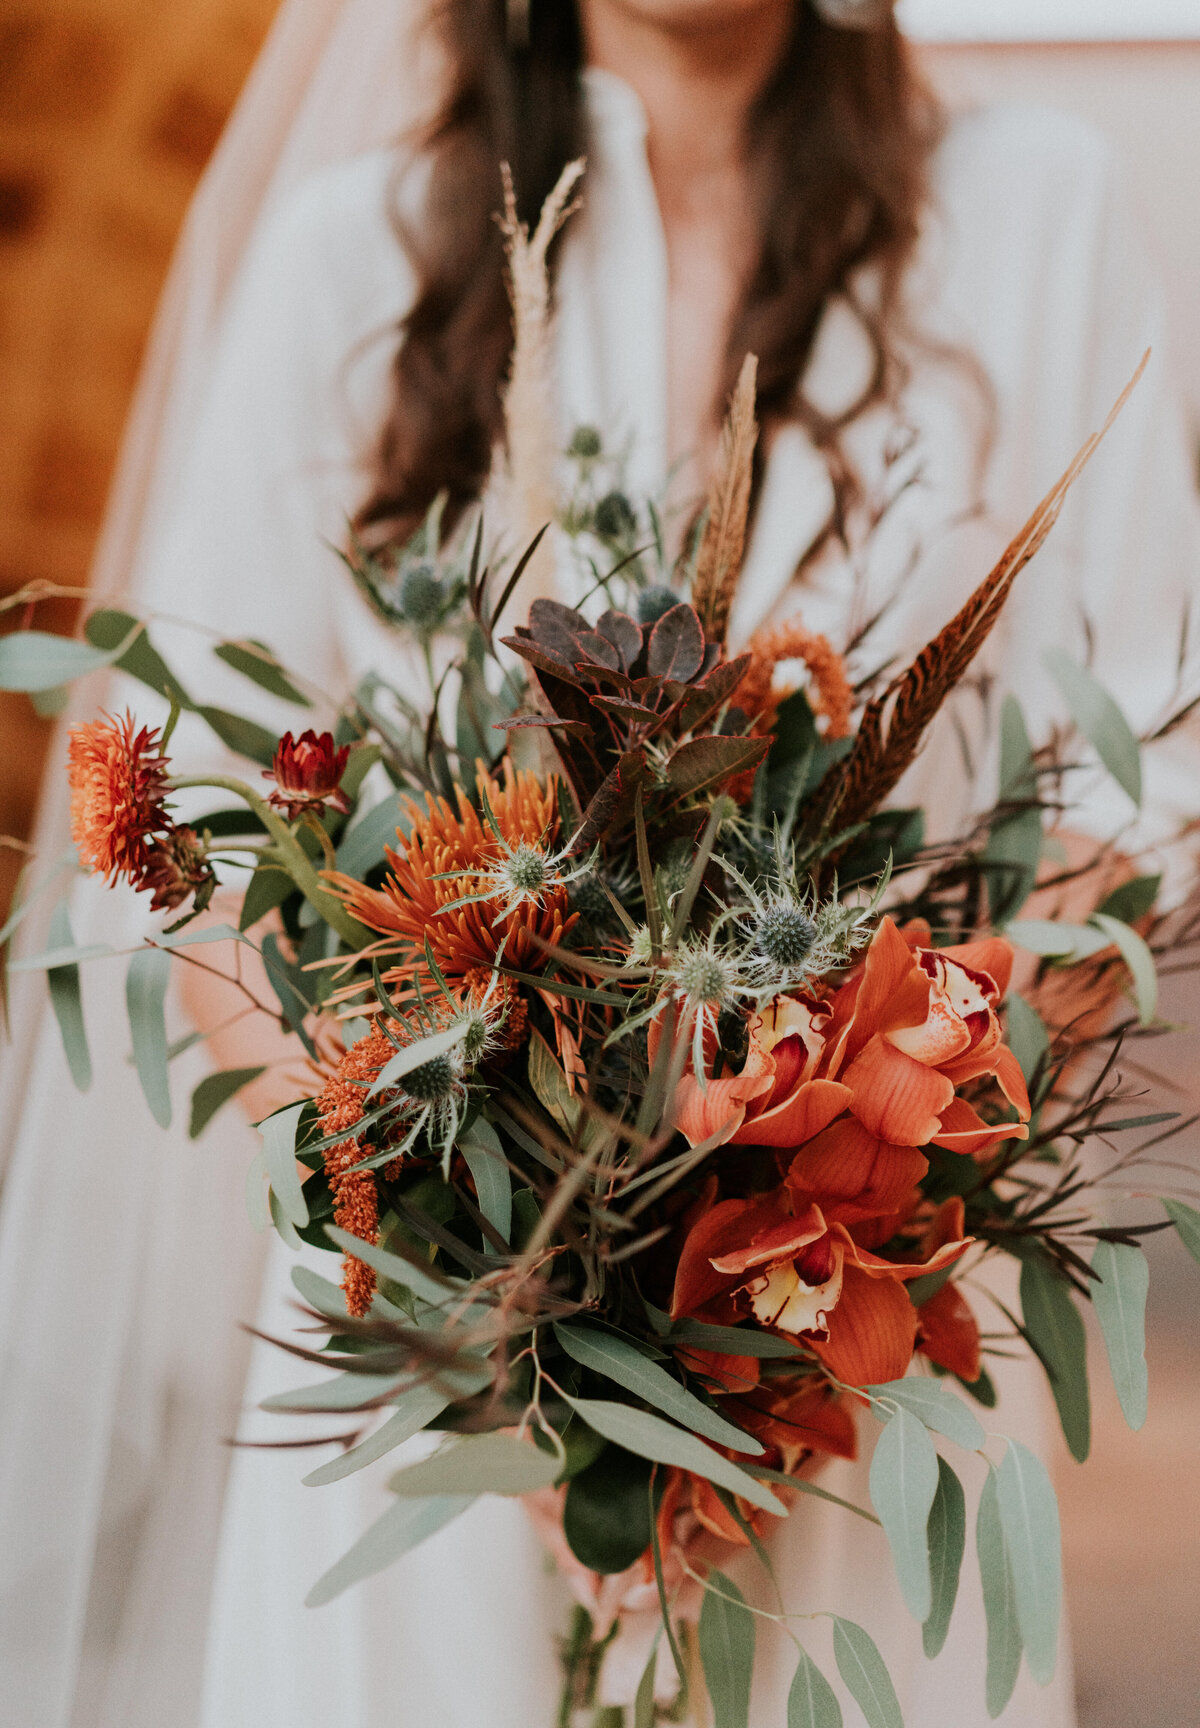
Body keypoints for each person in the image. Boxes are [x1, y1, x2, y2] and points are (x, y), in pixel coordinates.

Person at [1, 2, 1197, 1725]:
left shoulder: (1038, 215)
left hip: (853, 1357)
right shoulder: (353, 259)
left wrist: (842, 1187)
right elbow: (199, 804)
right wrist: (466, 1258)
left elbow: (1133, 806)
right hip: (441, 1390)